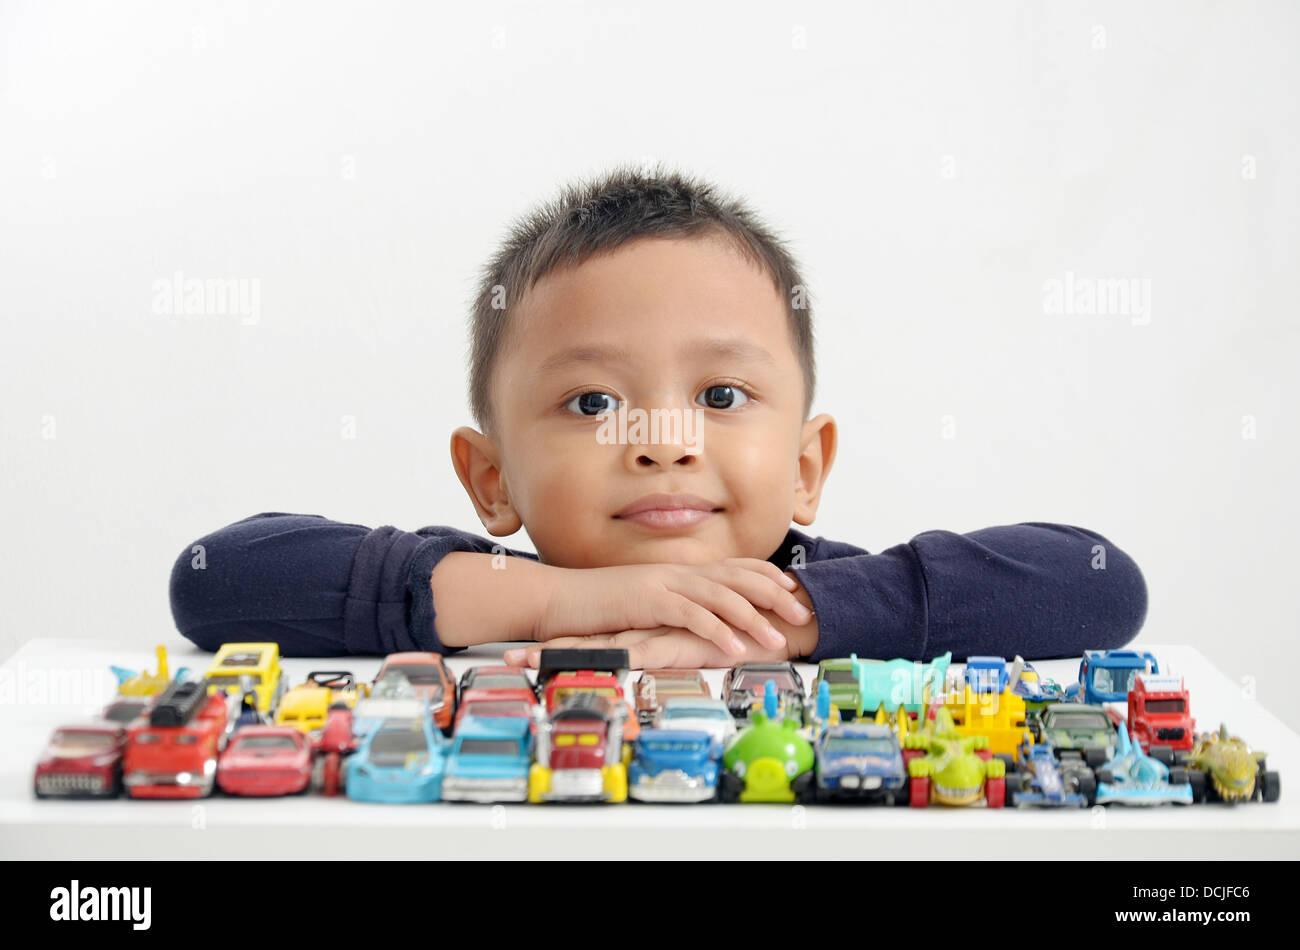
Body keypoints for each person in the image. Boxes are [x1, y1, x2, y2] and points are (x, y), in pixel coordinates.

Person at [170, 166, 1147, 668]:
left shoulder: (829, 594)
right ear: (493, 480)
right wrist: (559, 606)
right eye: (593, 402)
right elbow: (217, 580)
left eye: (720, 397)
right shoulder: (487, 595)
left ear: (805, 468)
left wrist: (789, 623)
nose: (662, 441)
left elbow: (1099, 583)